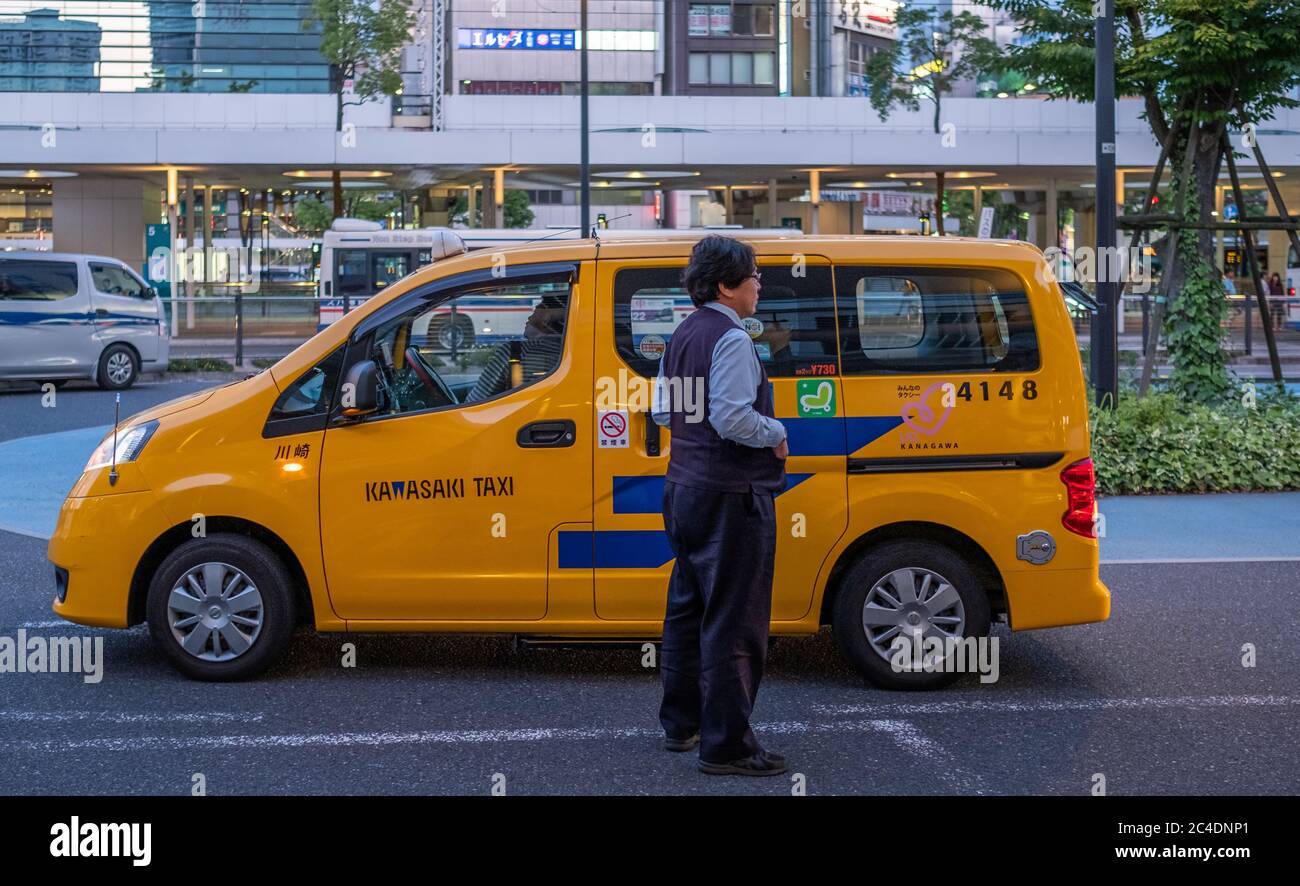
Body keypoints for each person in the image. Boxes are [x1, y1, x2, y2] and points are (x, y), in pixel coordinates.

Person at [651, 235, 789, 776]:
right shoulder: (731, 339)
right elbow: (733, 418)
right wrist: (775, 432)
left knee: (687, 608)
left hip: (683, 487)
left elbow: (664, 412)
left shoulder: (682, 333)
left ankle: (681, 724)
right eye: (754, 275)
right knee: (735, 619)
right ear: (727, 285)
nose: (759, 284)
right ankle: (727, 745)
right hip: (731, 494)